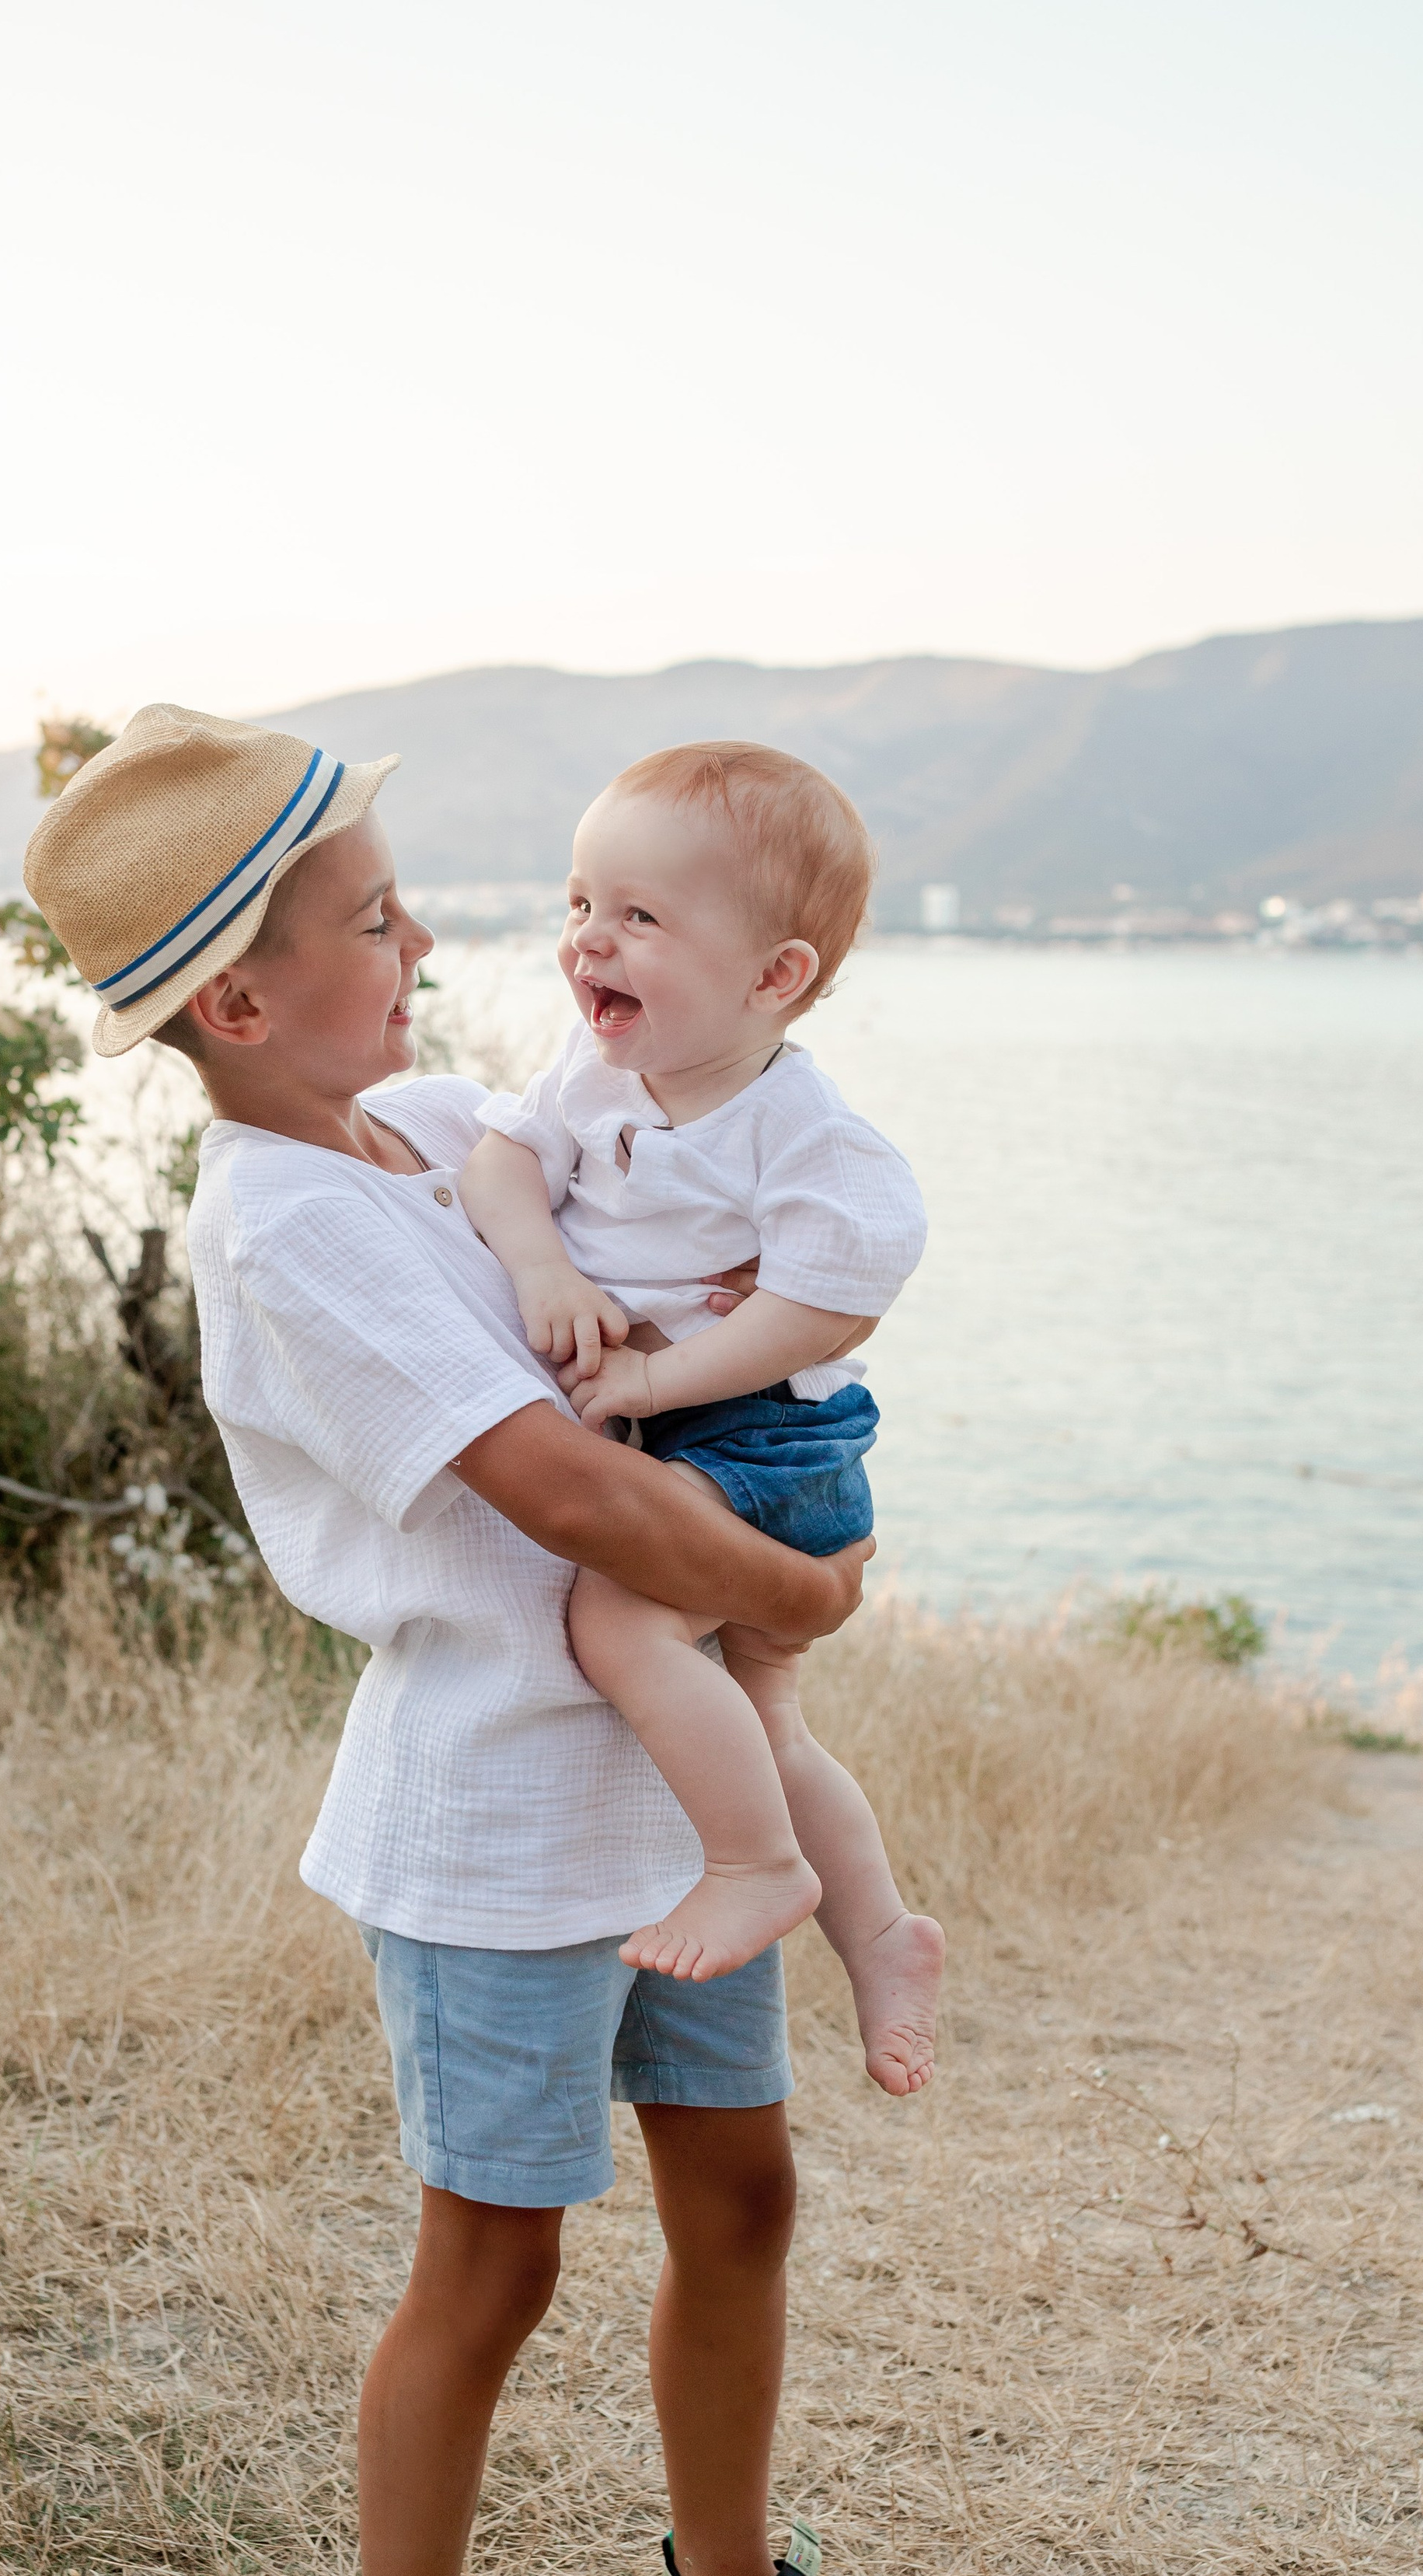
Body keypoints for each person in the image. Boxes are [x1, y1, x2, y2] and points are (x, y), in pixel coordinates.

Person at [24, 706, 979, 2576]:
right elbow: (556, 1492)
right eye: (377, 919)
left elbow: (661, 1196)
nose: (439, 937)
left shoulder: (429, 1125)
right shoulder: (278, 1227)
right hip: (489, 1831)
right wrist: (816, 1589)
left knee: (743, 2193)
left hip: (667, 1806)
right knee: (495, 2269)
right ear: (238, 1002)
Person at [458, 744, 946, 2097]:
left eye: (639, 919)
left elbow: (830, 1307)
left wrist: (660, 1383)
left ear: (773, 978)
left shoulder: (802, 1133)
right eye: (578, 904)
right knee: (770, 1725)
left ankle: (755, 1868)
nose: (588, 943)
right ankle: (884, 1934)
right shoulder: (595, 1072)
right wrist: (547, 1268)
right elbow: (499, 1158)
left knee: (614, 1622)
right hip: (690, 1437)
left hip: (765, 1443)